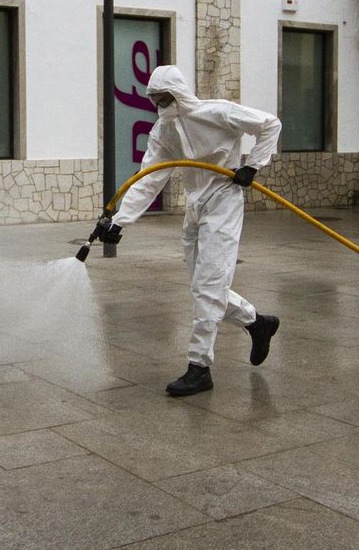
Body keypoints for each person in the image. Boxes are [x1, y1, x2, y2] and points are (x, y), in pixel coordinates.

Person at [92, 64, 282, 397]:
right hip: (195, 206)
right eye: (154, 100)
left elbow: (270, 124)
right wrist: (121, 221)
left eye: (164, 98)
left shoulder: (218, 113)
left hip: (224, 199)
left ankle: (199, 367)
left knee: (209, 286)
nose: (159, 106)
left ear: (178, 94)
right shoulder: (162, 132)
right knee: (202, 287)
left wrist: (252, 165)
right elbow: (149, 177)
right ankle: (257, 322)